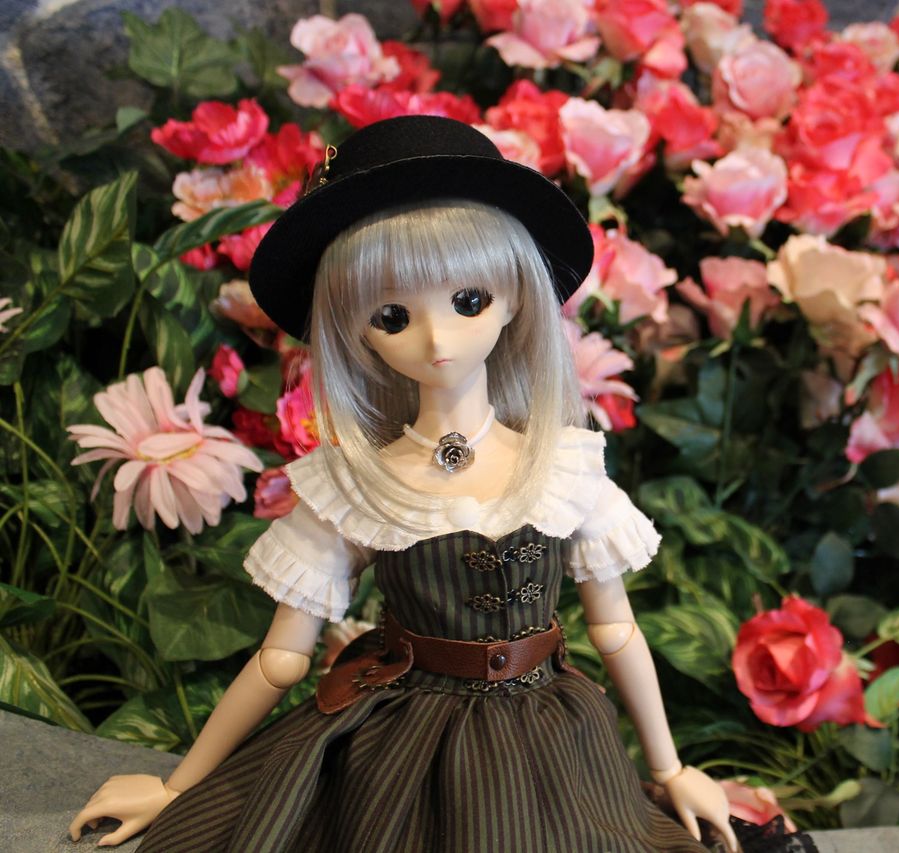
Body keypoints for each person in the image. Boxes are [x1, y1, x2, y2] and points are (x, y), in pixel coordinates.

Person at [67, 116, 763, 852]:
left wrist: (671, 767)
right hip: (402, 746)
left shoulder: (565, 467)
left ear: (515, 296)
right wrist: (179, 787)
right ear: (356, 331)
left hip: (556, 745)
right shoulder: (357, 484)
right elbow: (281, 659)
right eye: (393, 316)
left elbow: (616, 630)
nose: (436, 340)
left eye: (469, 301)